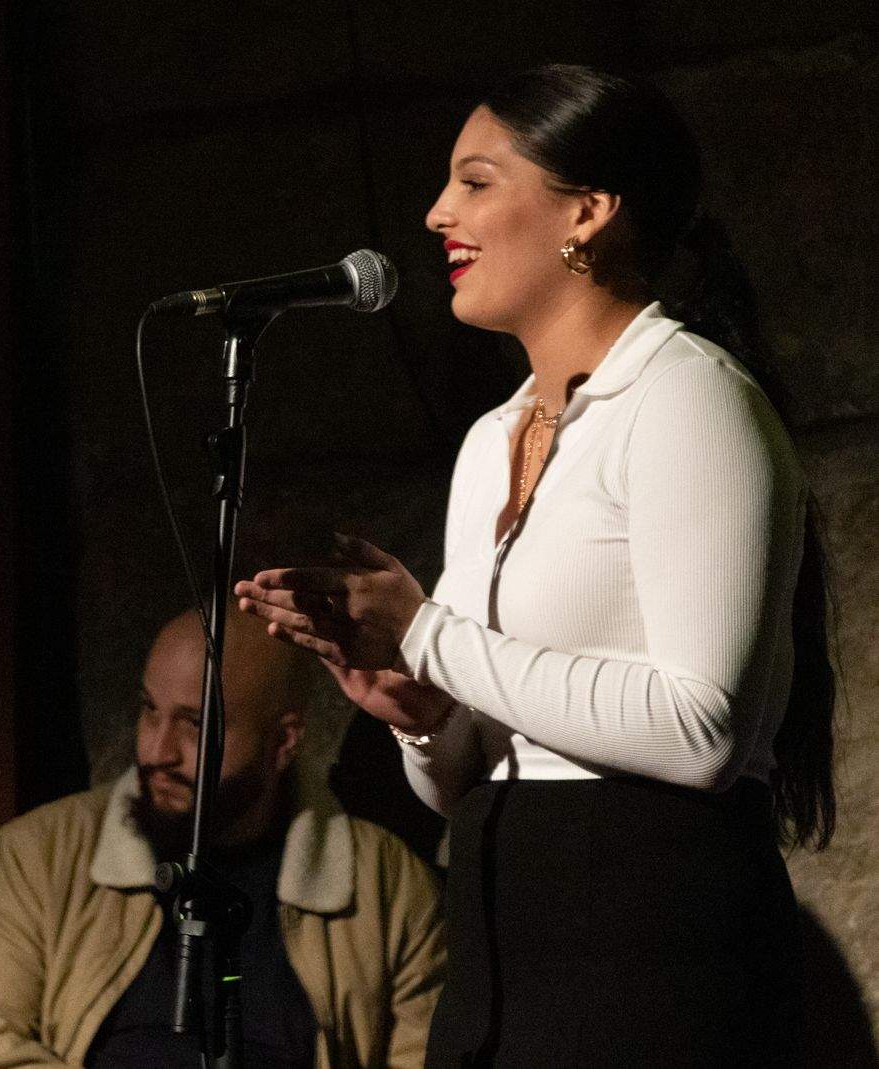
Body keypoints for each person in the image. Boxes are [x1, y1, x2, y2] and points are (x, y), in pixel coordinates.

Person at [236, 64, 835, 1067]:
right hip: (506, 943)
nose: (436, 214)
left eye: (474, 182)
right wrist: (425, 714)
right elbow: (479, 771)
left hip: (654, 949)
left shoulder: (686, 398)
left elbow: (703, 729)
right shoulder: (489, 441)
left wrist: (429, 631)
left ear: (588, 213)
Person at [0, 608, 445, 1068]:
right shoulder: (41, 854)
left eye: (195, 724)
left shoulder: (388, 889)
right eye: (150, 710)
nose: (157, 750)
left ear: (284, 740)